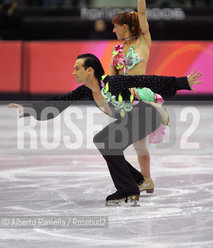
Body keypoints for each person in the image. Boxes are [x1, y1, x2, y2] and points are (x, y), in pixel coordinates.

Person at [9, 54, 202, 205]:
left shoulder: (114, 82)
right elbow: (59, 103)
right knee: (103, 140)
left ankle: (128, 189)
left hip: (147, 114)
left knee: (108, 141)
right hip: (133, 118)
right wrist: (28, 109)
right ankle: (137, 180)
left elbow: (148, 80)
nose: (73, 72)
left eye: (77, 68)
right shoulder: (87, 90)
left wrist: (182, 83)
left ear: (90, 70)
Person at [110, 0, 162, 194]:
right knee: (128, 143)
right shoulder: (117, 48)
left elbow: (142, 14)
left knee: (139, 143)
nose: (113, 30)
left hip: (141, 98)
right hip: (123, 100)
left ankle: (146, 179)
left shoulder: (143, 40)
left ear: (124, 27)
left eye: (115, 26)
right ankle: (144, 180)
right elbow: (113, 76)